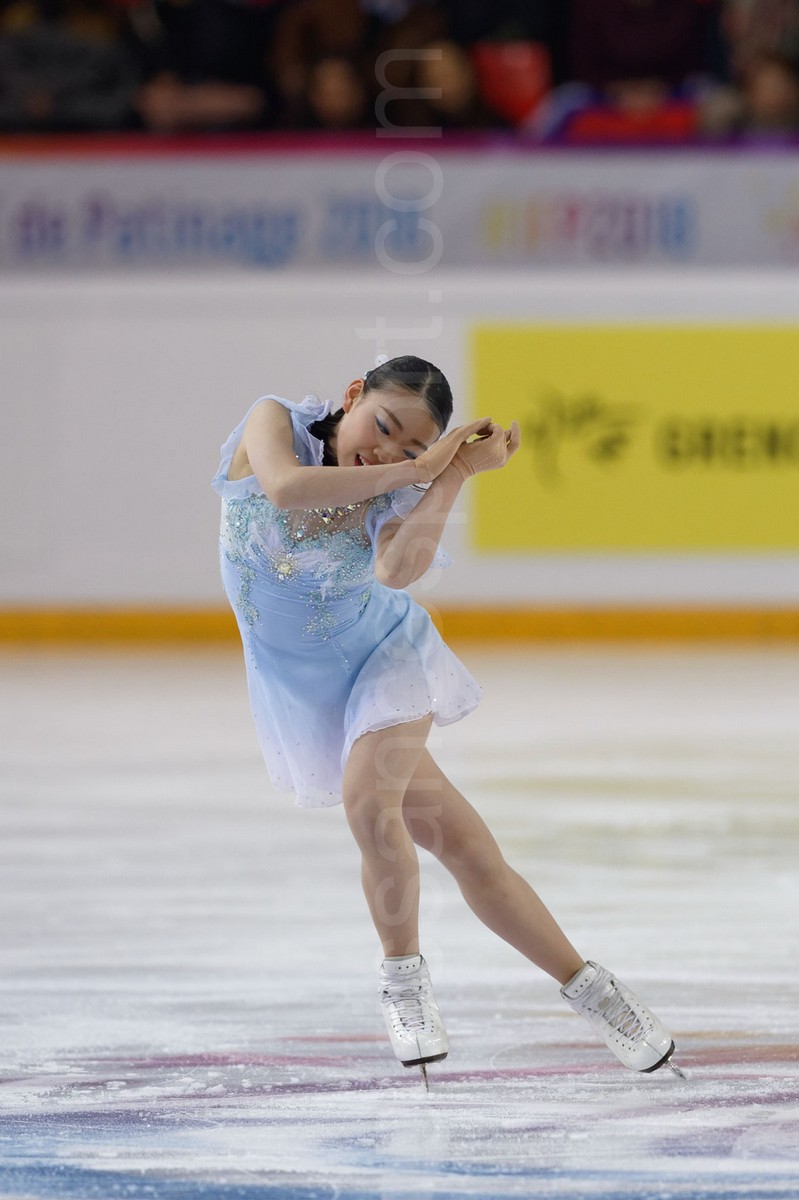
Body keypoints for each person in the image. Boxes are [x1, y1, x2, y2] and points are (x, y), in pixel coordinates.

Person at [211, 354, 680, 1080]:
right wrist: (420, 464)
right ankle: (592, 988)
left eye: (409, 446)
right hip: (309, 693)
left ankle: (403, 984)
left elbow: (396, 572)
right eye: (382, 426)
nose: (386, 452)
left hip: (383, 660)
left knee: (370, 807)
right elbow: (285, 488)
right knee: (467, 851)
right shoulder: (273, 421)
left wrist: (450, 473)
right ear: (353, 395)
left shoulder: (399, 486)